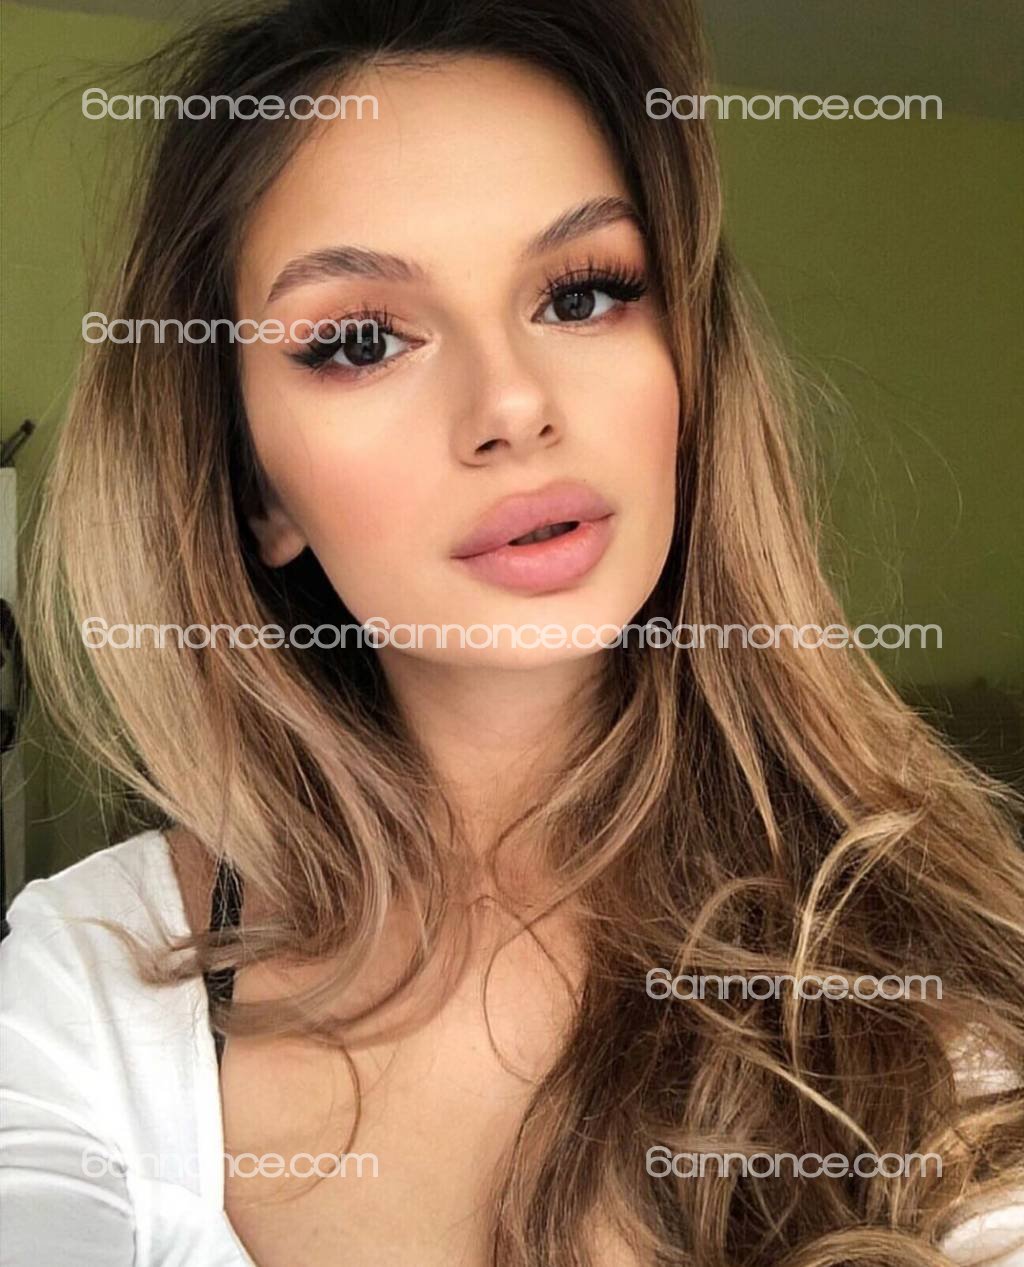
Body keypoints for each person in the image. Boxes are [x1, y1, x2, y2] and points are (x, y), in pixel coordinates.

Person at [2, 1, 1022, 1263]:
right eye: (361, 339)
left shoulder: (933, 981)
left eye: (582, 294)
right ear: (257, 488)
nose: (512, 404)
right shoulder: (96, 977)